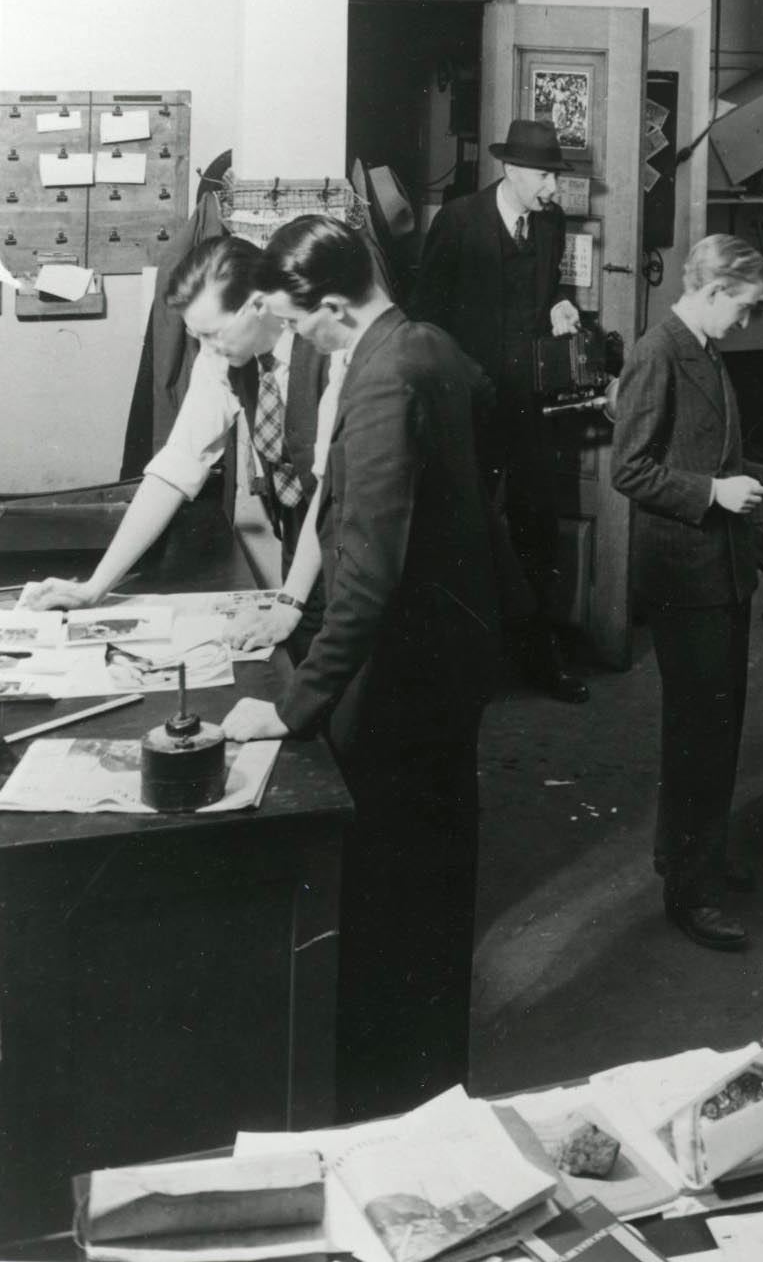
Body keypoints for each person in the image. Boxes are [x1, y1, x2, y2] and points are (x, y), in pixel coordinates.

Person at [222, 215, 500, 1119]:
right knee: (432, 893)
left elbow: (370, 578)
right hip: (447, 669)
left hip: (403, 687)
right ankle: (428, 1085)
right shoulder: (430, 348)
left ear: (333, 305)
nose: (296, 339)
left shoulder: (383, 383)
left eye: (300, 324)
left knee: (393, 902)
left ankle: (394, 1104)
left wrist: (292, 707)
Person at [610, 235, 763, 952]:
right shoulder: (656, 352)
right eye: (748, 306)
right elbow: (631, 471)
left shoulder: (702, 348)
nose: (750, 320)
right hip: (684, 574)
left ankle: (693, 851)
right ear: (715, 290)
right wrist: (711, 492)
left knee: (718, 724)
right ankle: (688, 891)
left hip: (718, 567)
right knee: (698, 732)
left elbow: (712, 456)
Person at [22, 236, 330, 653]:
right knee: (302, 657)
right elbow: (180, 462)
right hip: (300, 530)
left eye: (213, 333)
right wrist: (95, 587)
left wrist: (290, 602)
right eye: (196, 336)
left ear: (258, 305)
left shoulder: (326, 349)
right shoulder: (224, 356)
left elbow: (334, 488)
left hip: (354, 527)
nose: (207, 348)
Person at [410, 116, 588, 704]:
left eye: (554, 178)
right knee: (465, 531)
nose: (553, 190)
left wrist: (561, 303)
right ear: (510, 170)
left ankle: (539, 658)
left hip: (531, 410)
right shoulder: (458, 222)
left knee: (537, 528)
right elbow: (426, 321)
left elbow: (545, 290)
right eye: (544, 176)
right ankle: (462, 665)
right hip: (470, 410)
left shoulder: (551, 223)